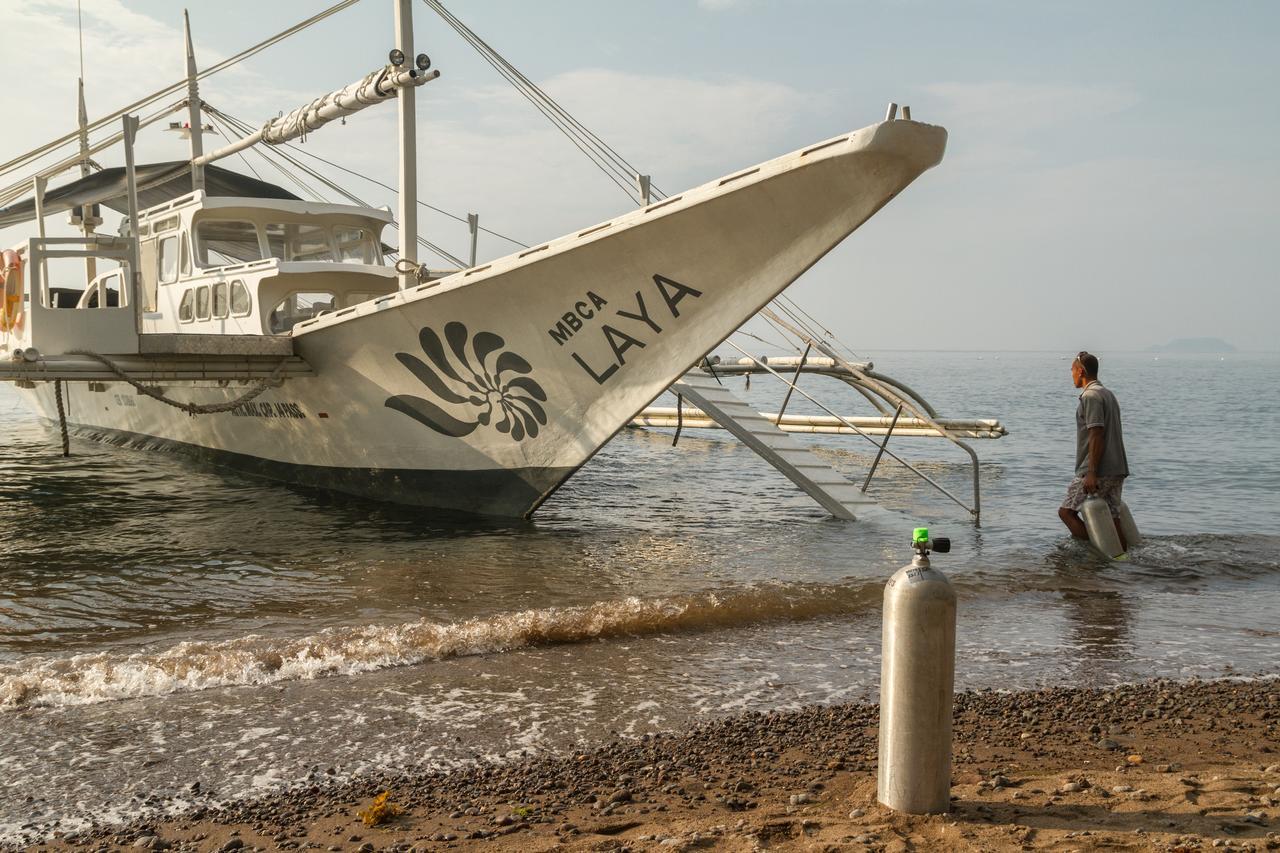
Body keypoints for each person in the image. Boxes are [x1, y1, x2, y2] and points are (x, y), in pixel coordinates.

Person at [1058, 351, 1130, 550]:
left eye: (1072, 371)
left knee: (1066, 513)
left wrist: (1091, 473)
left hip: (1097, 470)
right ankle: (1122, 560)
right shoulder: (1107, 393)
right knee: (1113, 518)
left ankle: (1096, 552)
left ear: (1080, 371)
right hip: (1117, 467)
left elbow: (1096, 433)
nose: (1071, 375)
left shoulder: (1090, 396)